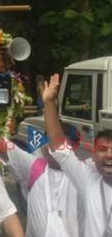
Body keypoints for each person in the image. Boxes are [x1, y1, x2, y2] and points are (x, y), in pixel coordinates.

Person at [0, 75, 79, 237]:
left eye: (60, 143)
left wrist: (49, 103)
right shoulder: (33, 167)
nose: (52, 148)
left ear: (74, 147)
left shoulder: (83, 174)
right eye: (49, 141)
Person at [43, 72, 112, 235]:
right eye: (103, 149)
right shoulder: (88, 181)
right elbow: (60, 148)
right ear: (93, 154)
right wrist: (49, 103)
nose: (109, 155)